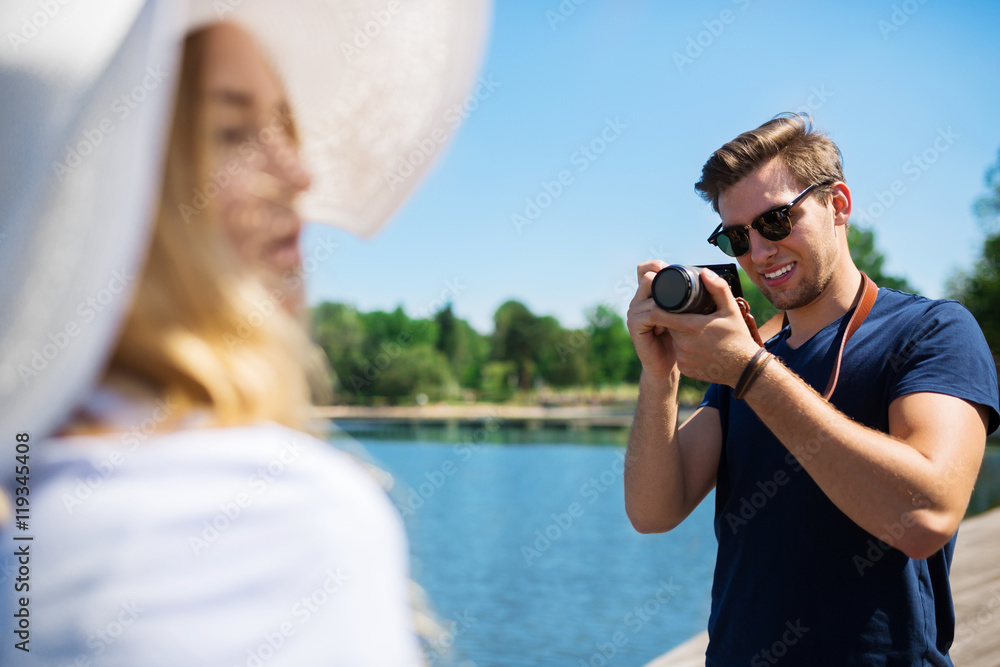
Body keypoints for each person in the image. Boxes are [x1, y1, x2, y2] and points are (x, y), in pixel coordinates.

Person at [0, 0, 488, 664]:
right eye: (233, 131)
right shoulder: (275, 524)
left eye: (285, 126)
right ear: (104, 189)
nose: (299, 173)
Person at [624, 113, 1000, 665]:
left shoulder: (933, 332)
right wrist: (660, 374)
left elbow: (925, 518)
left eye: (776, 221)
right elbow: (653, 512)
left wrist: (753, 373)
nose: (759, 252)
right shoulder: (747, 365)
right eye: (737, 236)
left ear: (838, 204)